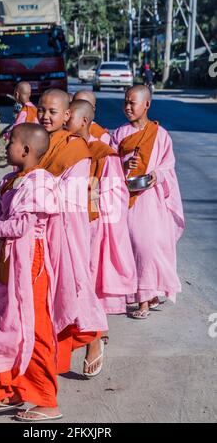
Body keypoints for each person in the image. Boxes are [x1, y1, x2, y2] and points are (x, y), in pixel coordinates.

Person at [0, 123, 65, 421]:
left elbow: (20, 227)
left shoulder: (40, 185)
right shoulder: (12, 180)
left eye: (9, 143)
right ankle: (9, 390)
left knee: (33, 332)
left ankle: (47, 401)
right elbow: (1, 216)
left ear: (26, 150)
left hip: (30, 266)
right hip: (8, 264)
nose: (4, 148)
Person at [37, 88, 108, 377]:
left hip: (66, 231)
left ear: (67, 115)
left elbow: (71, 197)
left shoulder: (76, 149)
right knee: (44, 298)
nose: (45, 116)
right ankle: (45, 358)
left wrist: (33, 190)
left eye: (52, 112)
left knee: (73, 291)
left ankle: (93, 340)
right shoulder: (38, 140)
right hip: (39, 231)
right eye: (42, 110)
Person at [110, 85, 185, 318]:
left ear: (147, 105)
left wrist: (156, 175)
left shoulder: (160, 135)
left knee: (147, 247)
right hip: (126, 197)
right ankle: (143, 294)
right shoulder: (119, 133)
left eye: (133, 102)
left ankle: (144, 298)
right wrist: (123, 165)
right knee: (129, 247)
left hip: (149, 199)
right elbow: (108, 163)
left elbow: (167, 165)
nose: (128, 107)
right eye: (125, 102)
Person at [66, 99, 137, 344]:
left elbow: (116, 189)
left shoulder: (102, 150)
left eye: (68, 116)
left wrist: (110, 223)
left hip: (92, 221)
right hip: (64, 220)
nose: (64, 121)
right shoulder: (60, 146)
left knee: (89, 273)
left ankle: (95, 330)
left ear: (85, 120)